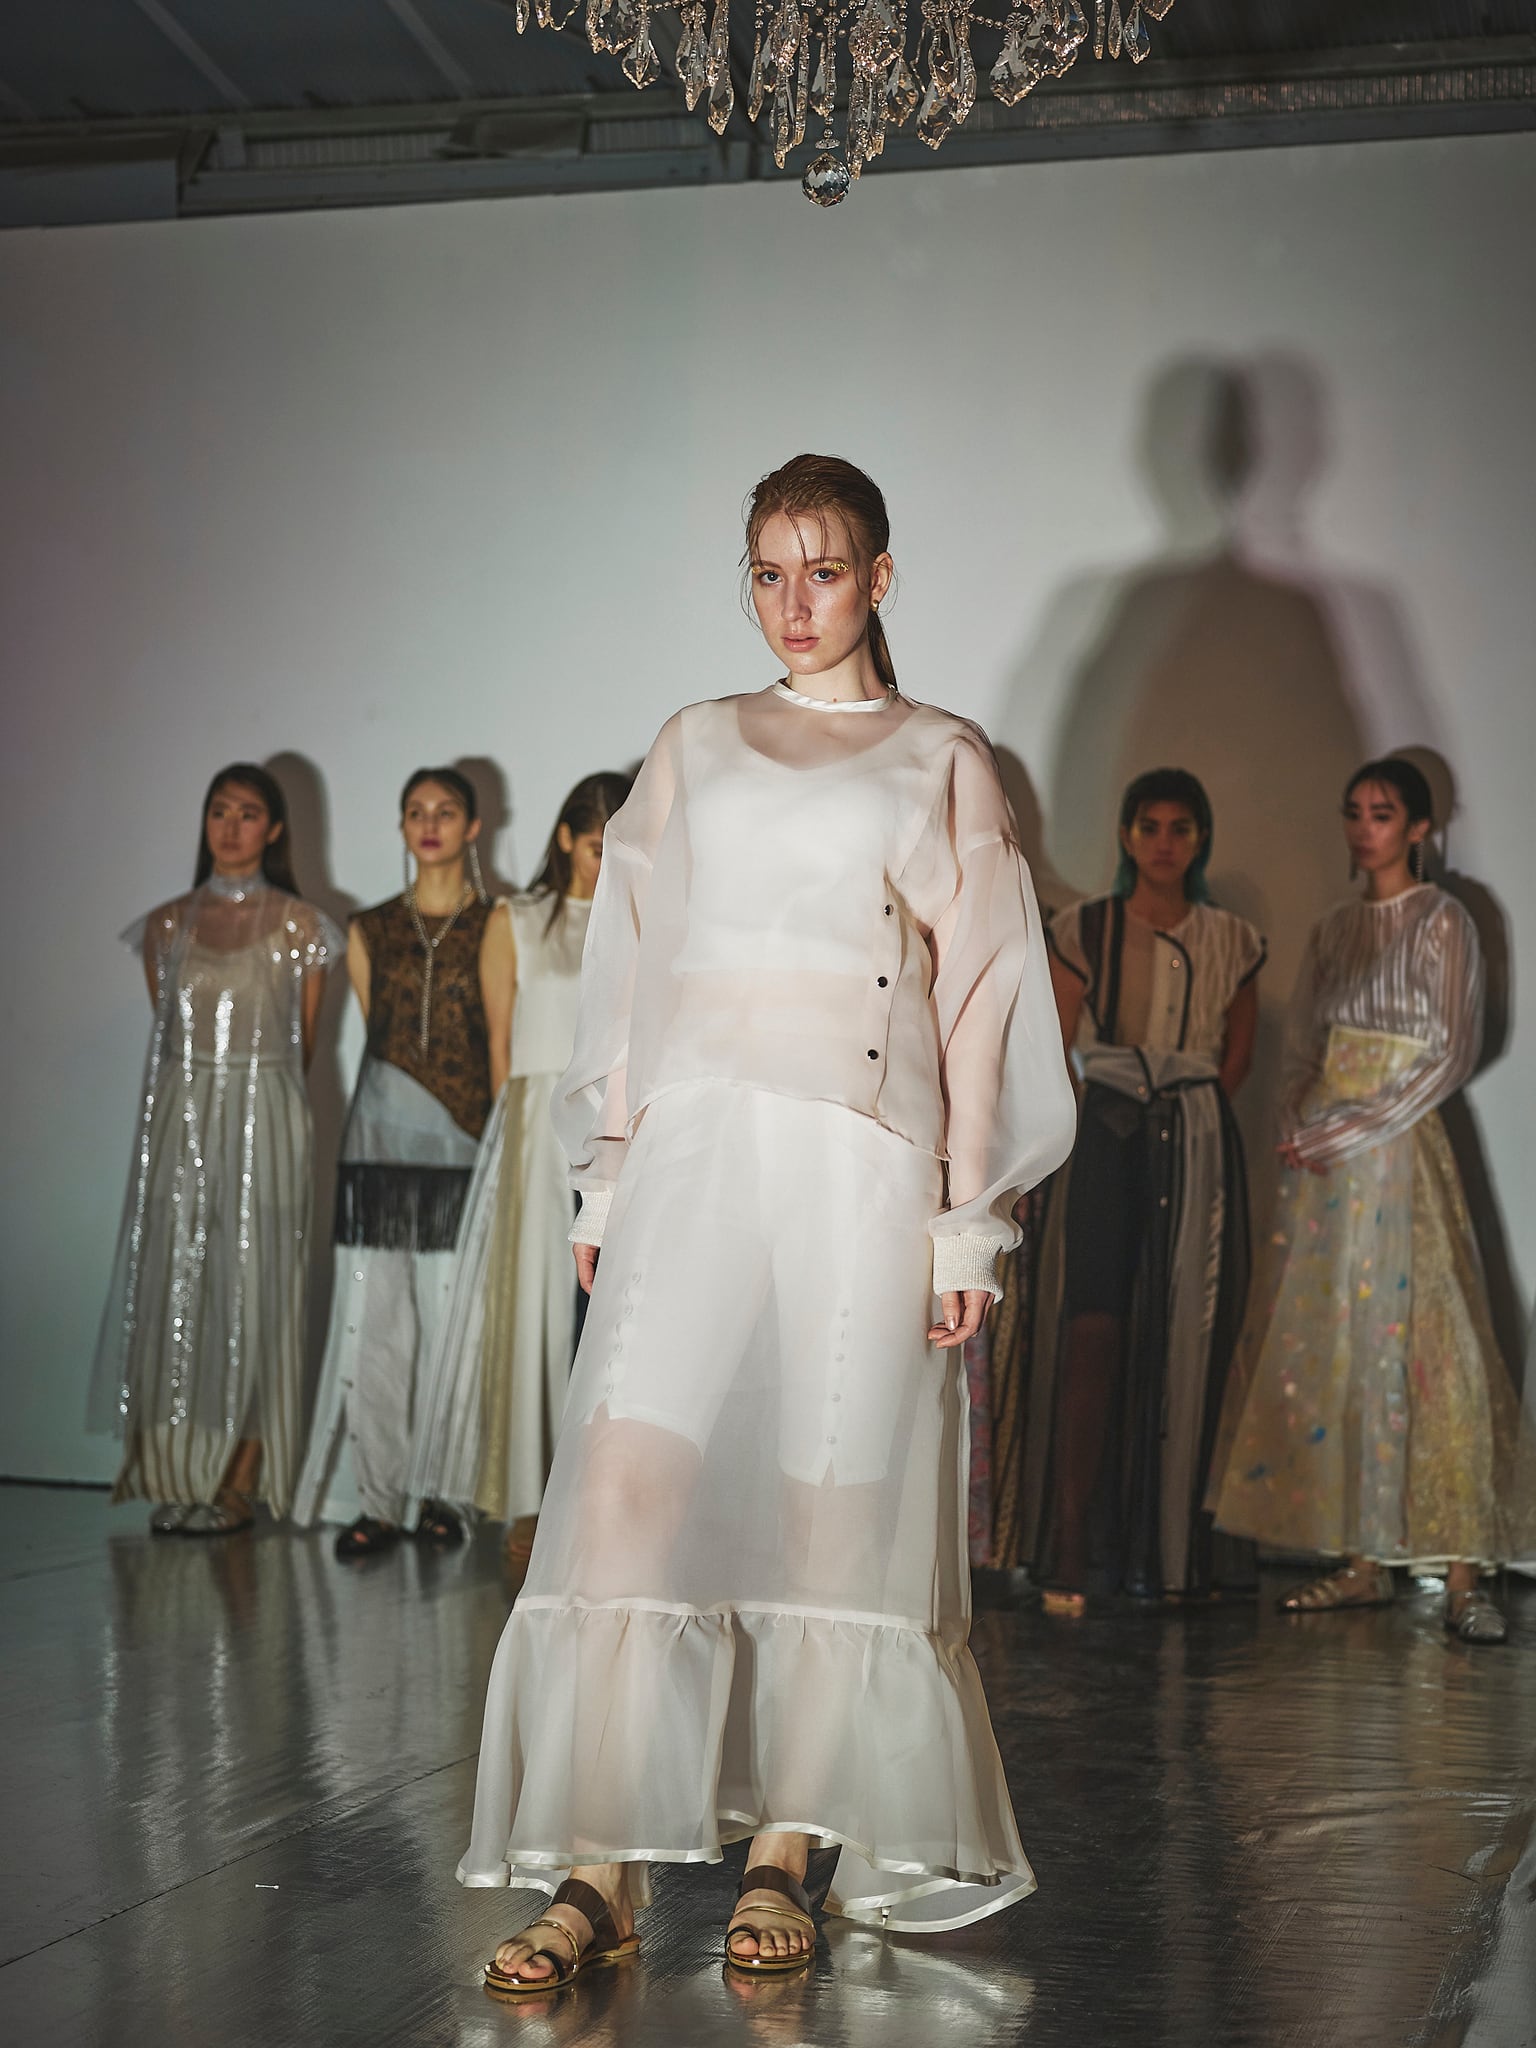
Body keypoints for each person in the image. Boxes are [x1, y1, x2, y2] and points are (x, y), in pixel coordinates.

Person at [459, 454, 1076, 1999]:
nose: (796, 603)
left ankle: (787, 1851)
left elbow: (986, 996)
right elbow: (633, 968)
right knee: (622, 1485)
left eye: (826, 569)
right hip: (695, 1154)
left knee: (831, 1499)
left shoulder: (941, 756)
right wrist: (609, 1172)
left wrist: (968, 1227)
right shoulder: (694, 744)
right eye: (768, 572)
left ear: (881, 576)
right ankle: (595, 1870)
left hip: (863, 1164)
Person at [1211, 757, 1536, 1643]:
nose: (1363, 828)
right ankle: (1361, 1559)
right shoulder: (1335, 928)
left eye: (1382, 813)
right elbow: (1307, 1048)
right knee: (1339, 1343)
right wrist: (1297, 1120)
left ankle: (1462, 1569)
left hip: (1396, 1148)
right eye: (1353, 811)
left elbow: (1452, 1051)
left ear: (1419, 828)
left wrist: (1346, 1128)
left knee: (1434, 1339)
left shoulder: (1442, 920)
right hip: (1329, 1168)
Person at [1023, 771, 1264, 1613]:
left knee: (1185, 1334)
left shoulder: (1233, 939)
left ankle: (1166, 1552)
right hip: (1107, 1132)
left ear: (1200, 840)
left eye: (1181, 828)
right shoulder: (1085, 927)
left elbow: (1237, 1054)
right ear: (1127, 835)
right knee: (1093, 1323)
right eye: (1150, 826)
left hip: (1193, 1139)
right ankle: (1071, 1543)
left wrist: (1190, 1114)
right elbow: (1053, 1045)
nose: (1165, 842)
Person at [90, 764, 341, 1534]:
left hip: (267, 1114)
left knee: (259, 1285)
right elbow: (172, 1035)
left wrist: (253, 1108)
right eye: (219, 811)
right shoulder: (166, 926)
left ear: (275, 829)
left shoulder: (302, 927)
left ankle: (241, 1476)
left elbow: (301, 1045)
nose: (231, 827)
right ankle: (178, 1472)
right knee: (182, 1283)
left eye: (249, 812)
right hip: (185, 1119)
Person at [407, 772, 634, 1553]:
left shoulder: (644, 920)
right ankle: (532, 1497)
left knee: (613, 1310)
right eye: (599, 845)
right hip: (539, 1130)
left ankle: (605, 1496)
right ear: (567, 839)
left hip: (620, 1132)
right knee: (538, 1302)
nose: (610, 860)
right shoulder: (520, 919)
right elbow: (502, 1050)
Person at [291, 768, 498, 1559]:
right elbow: (377, 1033)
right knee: (374, 1328)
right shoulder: (368, 928)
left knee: (455, 1330)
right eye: (416, 811)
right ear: (403, 826)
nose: (430, 823)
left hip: (464, 1150)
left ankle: (447, 1498)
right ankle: (377, 1499)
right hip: (378, 1151)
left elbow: (501, 1041)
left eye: (446, 810)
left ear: (473, 826)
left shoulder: (499, 923)